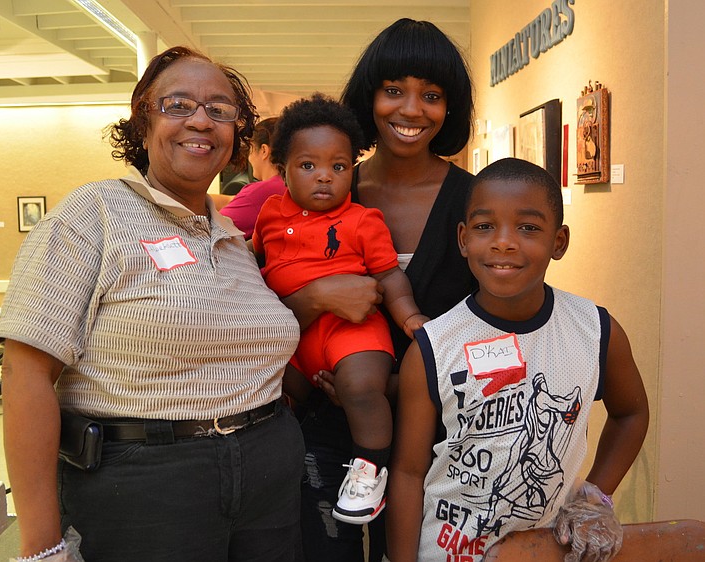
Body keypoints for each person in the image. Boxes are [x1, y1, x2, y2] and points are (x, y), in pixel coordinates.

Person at [0, 46, 304, 562]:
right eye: (177, 105)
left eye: (219, 109)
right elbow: (25, 372)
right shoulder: (92, 215)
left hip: (269, 472)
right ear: (142, 123)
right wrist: (41, 546)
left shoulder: (229, 235)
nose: (200, 121)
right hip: (144, 484)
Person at [279, 19, 477, 562]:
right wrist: (317, 297)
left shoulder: (475, 200)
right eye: (394, 91)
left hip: (437, 436)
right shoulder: (326, 185)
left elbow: (489, 324)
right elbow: (263, 310)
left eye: (431, 96)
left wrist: (392, 387)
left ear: (450, 107)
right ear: (370, 97)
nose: (411, 110)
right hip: (324, 422)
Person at [387, 158, 650, 562]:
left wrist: (595, 496)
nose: (504, 242)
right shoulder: (435, 346)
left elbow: (631, 414)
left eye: (527, 227)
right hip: (447, 552)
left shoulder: (596, 330)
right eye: (484, 226)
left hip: (545, 550)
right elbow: (407, 472)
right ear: (462, 239)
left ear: (559, 241)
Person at [252, 94, 426, 526]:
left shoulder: (363, 220)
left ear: (353, 168)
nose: (324, 177)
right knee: (265, 390)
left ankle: (370, 468)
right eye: (308, 166)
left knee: (361, 388)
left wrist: (409, 317)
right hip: (294, 339)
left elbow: (388, 278)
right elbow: (256, 266)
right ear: (282, 169)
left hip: (352, 329)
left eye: (339, 166)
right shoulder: (269, 214)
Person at [219, 117, 287, 239]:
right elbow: (235, 201)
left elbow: (211, 231)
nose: (249, 158)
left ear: (264, 150)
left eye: (251, 149)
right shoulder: (290, 187)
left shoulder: (262, 192)